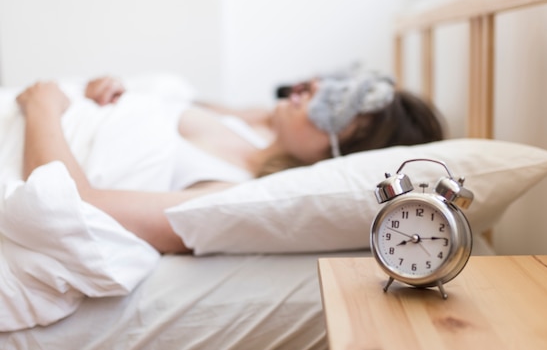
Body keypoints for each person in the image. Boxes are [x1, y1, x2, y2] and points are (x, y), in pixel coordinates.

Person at [15, 72, 444, 254]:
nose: (313, 85)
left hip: (29, 133)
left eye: (336, 105)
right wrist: (107, 90)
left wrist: (43, 107)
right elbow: (154, 104)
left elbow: (73, 204)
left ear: (338, 153)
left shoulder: (230, 194)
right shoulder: (253, 123)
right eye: (335, 84)